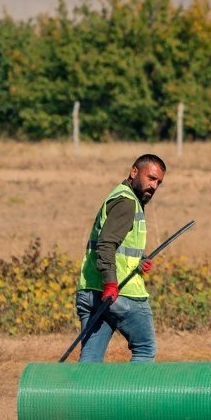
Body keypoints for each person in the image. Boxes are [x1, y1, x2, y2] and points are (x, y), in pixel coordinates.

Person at [75, 154, 166, 362]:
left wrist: (138, 261)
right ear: (134, 172)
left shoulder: (118, 196)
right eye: (151, 178)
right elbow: (106, 244)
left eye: (159, 182)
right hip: (120, 293)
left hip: (90, 291)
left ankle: (82, 395)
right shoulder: (127, 202)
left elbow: (115, 245)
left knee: (91, 358)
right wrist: (110, 283)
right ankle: (133, 395)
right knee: (145, 348)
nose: (154, 186)